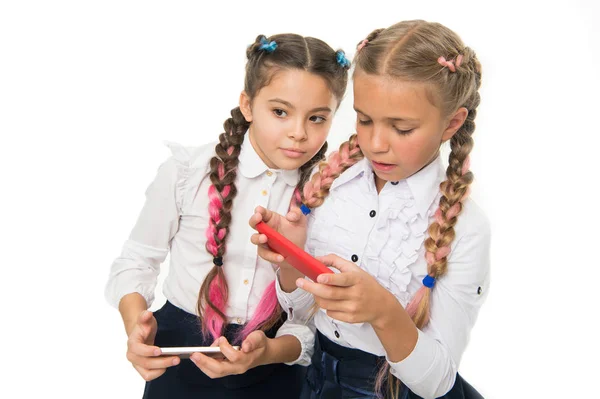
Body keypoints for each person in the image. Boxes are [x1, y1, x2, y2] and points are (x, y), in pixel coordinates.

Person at [250, 20, 489, 399]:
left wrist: (383, 312)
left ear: (452, 123)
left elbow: (436, 381)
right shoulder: (331, 186)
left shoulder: (466, 228)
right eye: (364, 120)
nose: (376, 143)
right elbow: (300, 313)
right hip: (317, 382)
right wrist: (292, 260)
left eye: (403, 128)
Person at [105, 33, 350, 398]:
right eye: (280, 112)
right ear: (248, 105)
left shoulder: (330, 197)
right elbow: (136, 261)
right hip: (180, 361)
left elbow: (315, 322)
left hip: (272, 367)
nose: (298, 133)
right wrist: (135, 325)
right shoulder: (188, 172)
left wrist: (269, 352)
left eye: (316, 118)